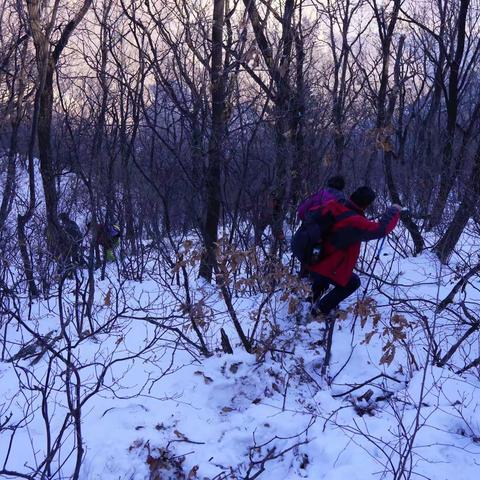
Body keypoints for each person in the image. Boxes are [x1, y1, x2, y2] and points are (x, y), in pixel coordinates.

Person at [306, 186, 401, 316]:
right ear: (366, 205)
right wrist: (394, 210)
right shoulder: (355, 221)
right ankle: (320, 311)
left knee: (324, 273)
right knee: (353, 282)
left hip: (315, 256)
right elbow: (380, 229)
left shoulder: (336, 206)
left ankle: (311, 300)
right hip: (327, 263)